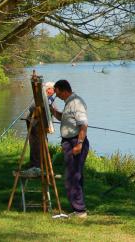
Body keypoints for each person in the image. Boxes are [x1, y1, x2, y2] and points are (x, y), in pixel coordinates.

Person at [49, 79, 89, 218]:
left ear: (64, 90)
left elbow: (83, 125)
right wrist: (53, 111)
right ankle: (79, 207)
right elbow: (65, 119)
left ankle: (80, 211)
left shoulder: (76, 103)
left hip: (76, 142)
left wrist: (79, 143)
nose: (57, 96)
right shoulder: (68, 103)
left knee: (72, 176)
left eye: (58, 92)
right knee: (75, 175)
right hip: (70, 141)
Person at [24, 81, 56, 174]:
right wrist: (42, 107)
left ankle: (42, 163)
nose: (54, 91)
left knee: (43, 143)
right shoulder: (39, 97)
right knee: (36, 144)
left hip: (41, 124)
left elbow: (52, 109)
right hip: (34, 123)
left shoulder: (48, 98)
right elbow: (33, 107)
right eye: (53, 89)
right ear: (48, 89)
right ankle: (35, 165)